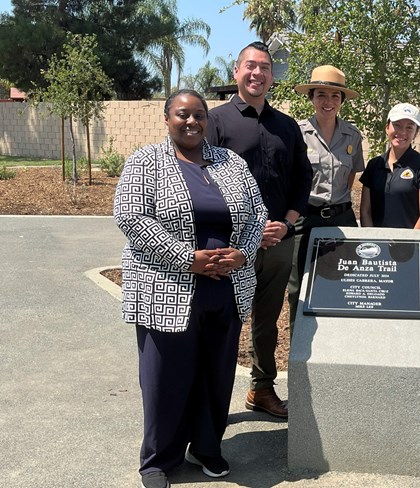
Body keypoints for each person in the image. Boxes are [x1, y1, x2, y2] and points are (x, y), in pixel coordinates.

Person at [114, 89, 267, 488]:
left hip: (227, 288)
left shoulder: (229, 161)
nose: (192, 121)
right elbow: (132, 218)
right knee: (166, 376)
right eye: (183, 114)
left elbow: (257, 213)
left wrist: (243, 254)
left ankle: (205, 447)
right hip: (165, 287)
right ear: (167, 118)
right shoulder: (146, 161)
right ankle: (158, 461)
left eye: (199, 115)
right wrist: (188, 259)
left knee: (216, 374)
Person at [206, 41, 312, 419]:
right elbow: (203, 182)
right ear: (236, 72)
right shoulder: (215, 122)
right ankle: (211, 398)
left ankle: (261, 389)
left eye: (265, 67)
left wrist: (287, 222)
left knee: (267, 322)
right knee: (226, 319)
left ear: (272, 76)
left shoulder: (286, 126)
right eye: (250, 66)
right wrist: (247, 230)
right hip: (232, 245)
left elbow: (303, 178)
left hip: (280, 241)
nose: (257, 73)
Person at [288, 65, 364, 331]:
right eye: (321, 94)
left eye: (335, 96)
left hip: (341, 220)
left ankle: (336, 344)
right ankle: (300, 347)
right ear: (311, 98)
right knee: (298, 286)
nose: (328, 102)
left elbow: (350, 177)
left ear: (342, 101)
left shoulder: (353, 136)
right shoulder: (296, 133)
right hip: (305, 220)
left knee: (343, 282)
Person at [359, 102, 420, 266]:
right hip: (378, 251)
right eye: (397, 125)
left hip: (413, 251)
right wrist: (373, 242)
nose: (402, 132)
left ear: (416, 133)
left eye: (410, 127)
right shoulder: (375, 165)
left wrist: (408, 245)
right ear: (387, 127)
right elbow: (365, 211)